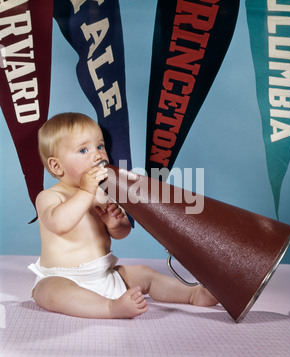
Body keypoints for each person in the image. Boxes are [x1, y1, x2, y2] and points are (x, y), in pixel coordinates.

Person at [28, 112, 218, 319]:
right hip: (63, 277)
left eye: (100, 146)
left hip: (105, 274)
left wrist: (115, 224)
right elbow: (59, 224)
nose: (98, 155)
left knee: (145, 274)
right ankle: (109, 308)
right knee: (49, 292)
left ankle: (192, 294)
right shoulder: (49, 197)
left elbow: (122, 232)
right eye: (83, 150)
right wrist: (85, 192)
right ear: (57, 166)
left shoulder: (104, 193)